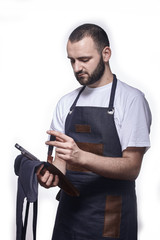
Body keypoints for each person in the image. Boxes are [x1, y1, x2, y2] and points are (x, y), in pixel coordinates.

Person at [37, 23, 151, 240]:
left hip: (112, 218)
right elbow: (61, 160)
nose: (77, 67)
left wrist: (80, 156)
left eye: (84, 59)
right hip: (69, 215)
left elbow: (132, 167)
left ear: (105, 53)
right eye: (72, 60)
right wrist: (50, 175)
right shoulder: (66, 103)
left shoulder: (131, 100)